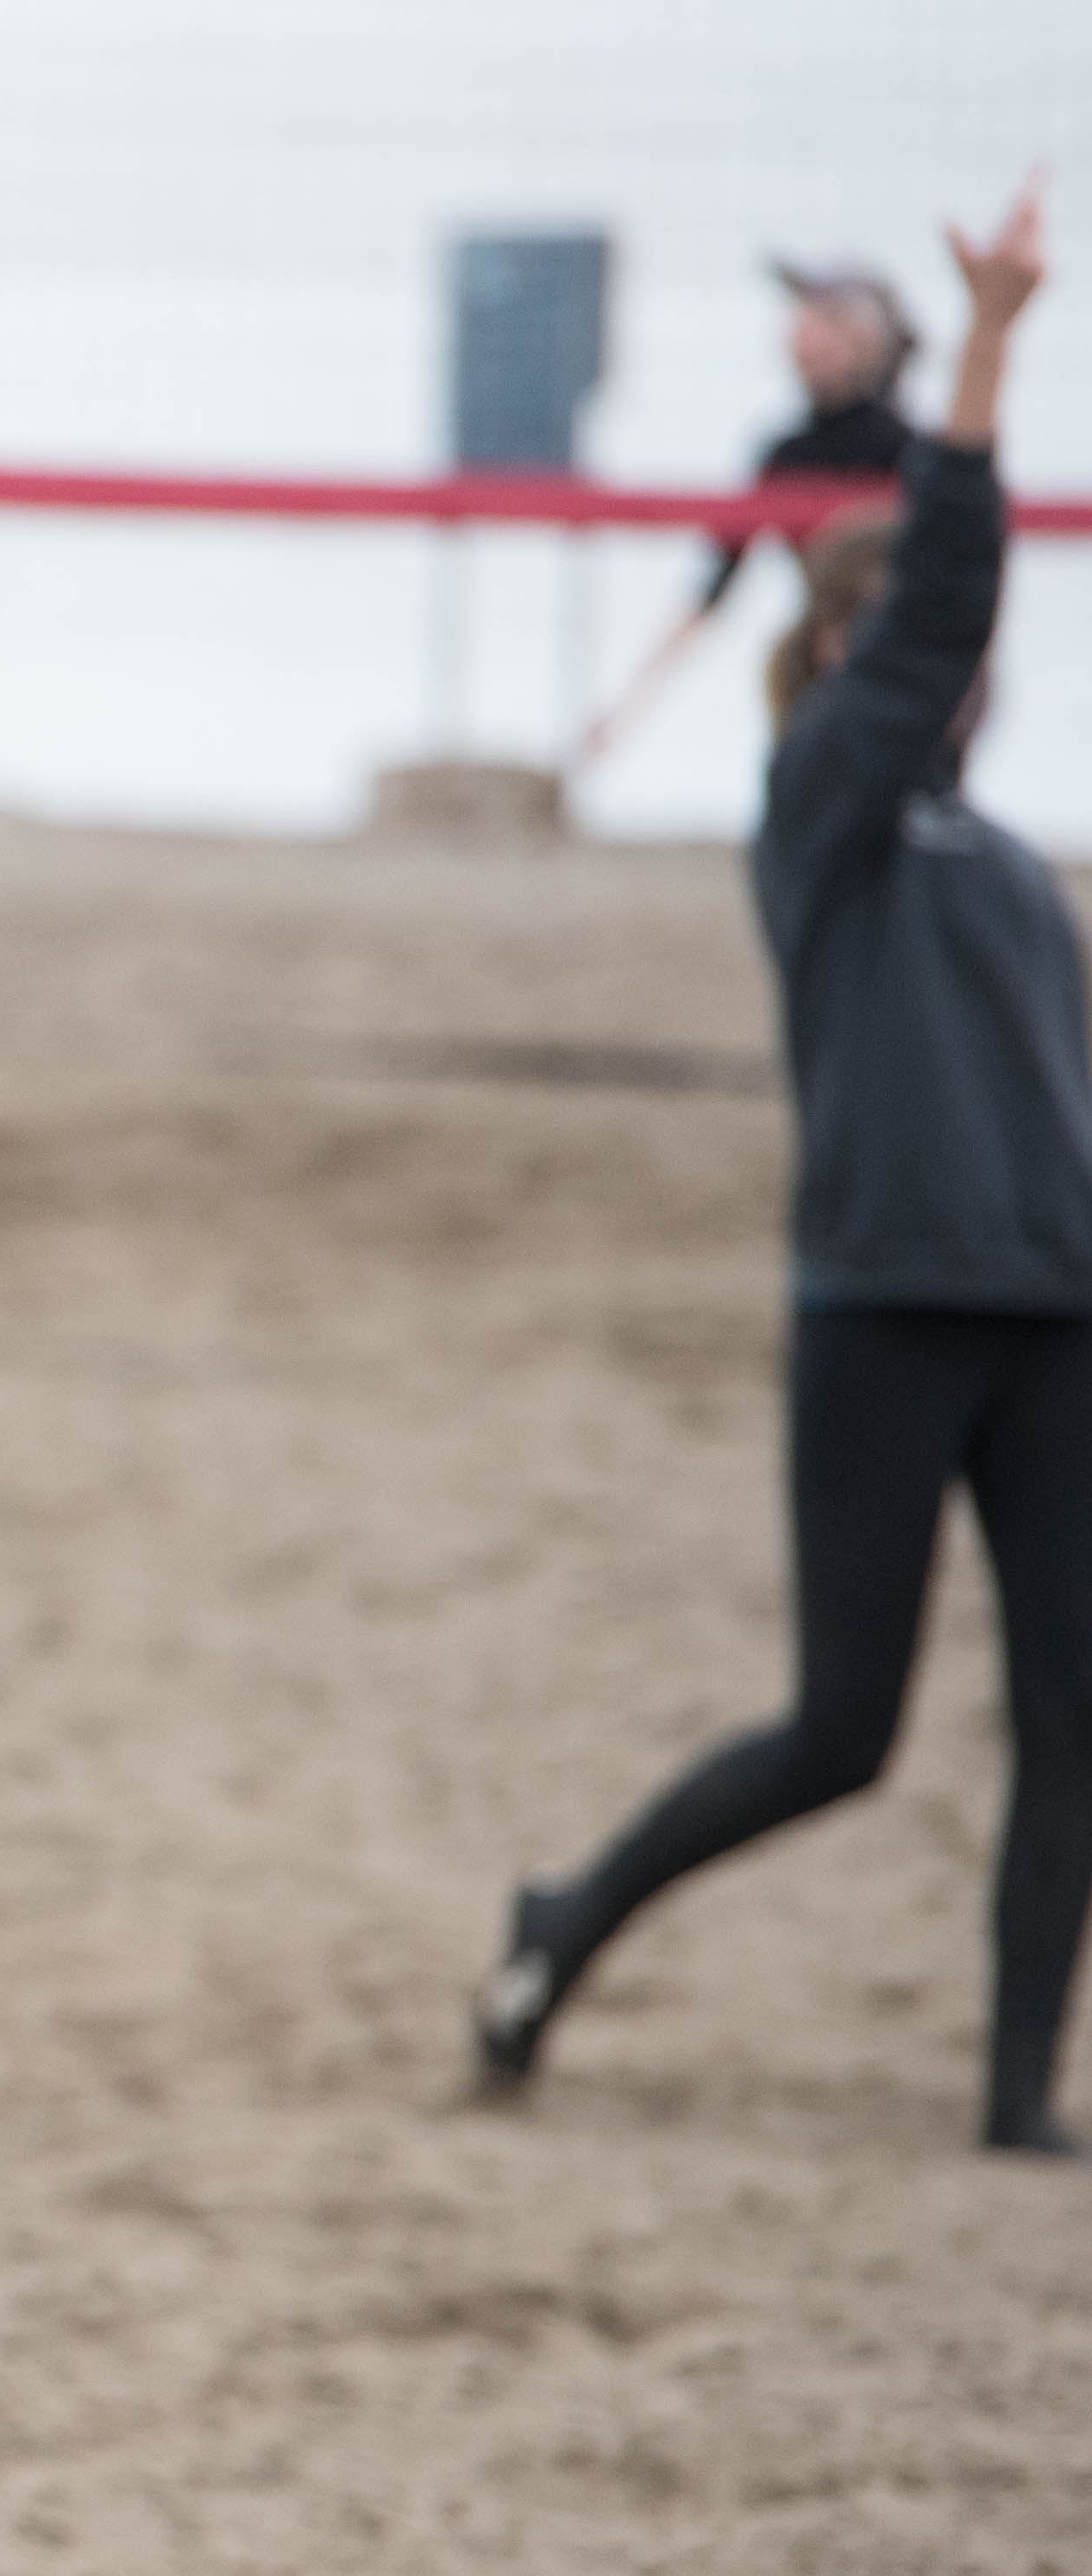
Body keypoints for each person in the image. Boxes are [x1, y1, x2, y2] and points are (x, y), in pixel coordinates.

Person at [480, 178, 1083, 2159]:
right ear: (842, 653)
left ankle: (1011, 2106)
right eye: (907, 630)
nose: (958, 661)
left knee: (1073, 1722)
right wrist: (984, 348)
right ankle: (565, 1917)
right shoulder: (819, 812)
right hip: (882, 1309)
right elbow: (938, 605)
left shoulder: (1000, 867)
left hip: (1046, 1313)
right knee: (844, 1731)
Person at [575, 255, 921, 767]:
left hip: (907, 657)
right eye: (803, 323)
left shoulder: (912, 454)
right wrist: (624, 708)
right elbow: (715, 586)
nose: (805, 338)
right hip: (822, 662)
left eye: (827, 324)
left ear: (868, 343)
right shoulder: (785, 458)